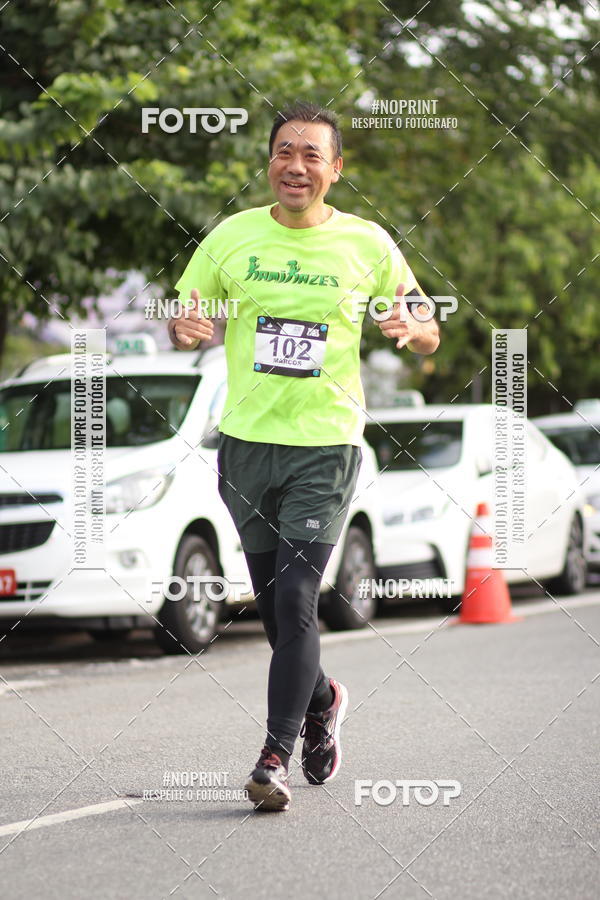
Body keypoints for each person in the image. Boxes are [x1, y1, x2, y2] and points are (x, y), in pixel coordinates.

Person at [168, 101, 440, 812]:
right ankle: (324, 700)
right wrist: (185, 326)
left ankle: (273, 758)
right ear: (270, 163)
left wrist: (407, 326)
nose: (296, 165)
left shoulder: (367, 244)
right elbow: (185, 317)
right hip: (247, 447)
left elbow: (428, 325)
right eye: (285, 152)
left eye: (312, 155)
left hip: (326, 445)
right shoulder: (232, 238)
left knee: (295, 599)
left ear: (335, 169)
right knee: (277, 612)